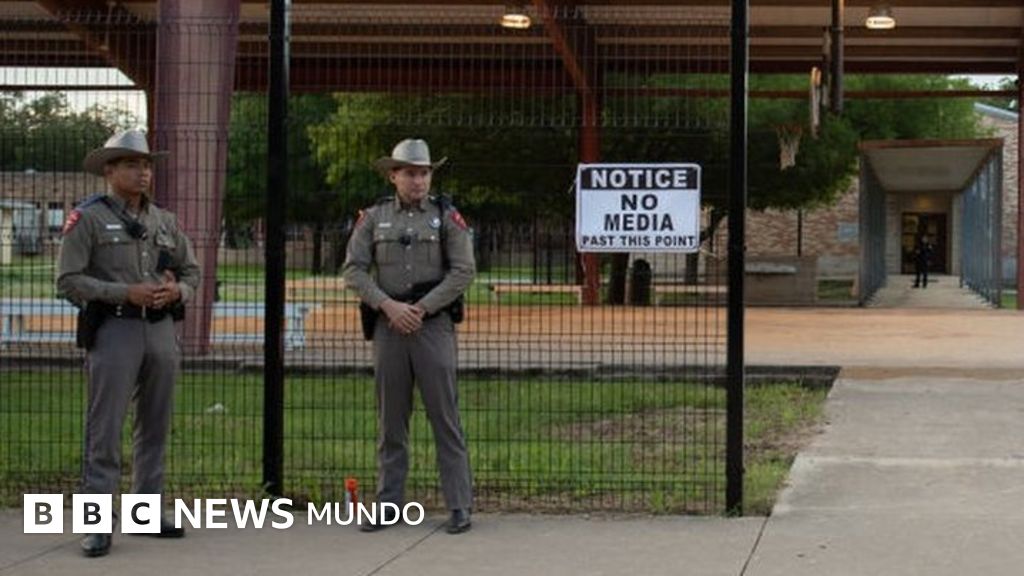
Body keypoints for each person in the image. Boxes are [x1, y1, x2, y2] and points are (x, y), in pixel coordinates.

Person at [56, 129, 200, 557]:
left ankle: (146, 510)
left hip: (159, 330)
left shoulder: (165, 221)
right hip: (114, 331)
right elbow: (67, 281)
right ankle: (96, 523)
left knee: (154, 423)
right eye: (133, 164)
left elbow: (191, 272)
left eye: (147, 165)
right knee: (105, 427)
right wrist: (124, 293)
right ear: (110, 170)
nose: (143, 172)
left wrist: (178, 293)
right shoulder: (89, 219)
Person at [342, 138, 476, 534]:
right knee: (391, 420)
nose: (418, 180)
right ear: (393, 175)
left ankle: (459, 505)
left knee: (445, 417)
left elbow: (464, 271)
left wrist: (421, 308)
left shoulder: (447, 217)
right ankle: (388, 504)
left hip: (431, 325)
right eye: (410, 173)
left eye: (424, 172)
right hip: (389, 325)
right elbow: (353, 269)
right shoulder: (373, 218)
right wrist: (387, 305)